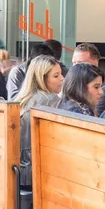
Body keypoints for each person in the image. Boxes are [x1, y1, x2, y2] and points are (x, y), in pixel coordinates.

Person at [18, 55, 64, 188]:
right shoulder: (51, 101)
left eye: (61, 74)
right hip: (36, 171)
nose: (62, 78)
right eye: (56, 76)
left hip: (18, 171)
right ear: (42, 78)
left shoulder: (22, 99)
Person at [71, 43, 105, 116]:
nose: (76, 67)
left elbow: (93, 120)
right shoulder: (70, 84)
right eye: (74, 63)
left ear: (95, 62)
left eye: (81, 63)